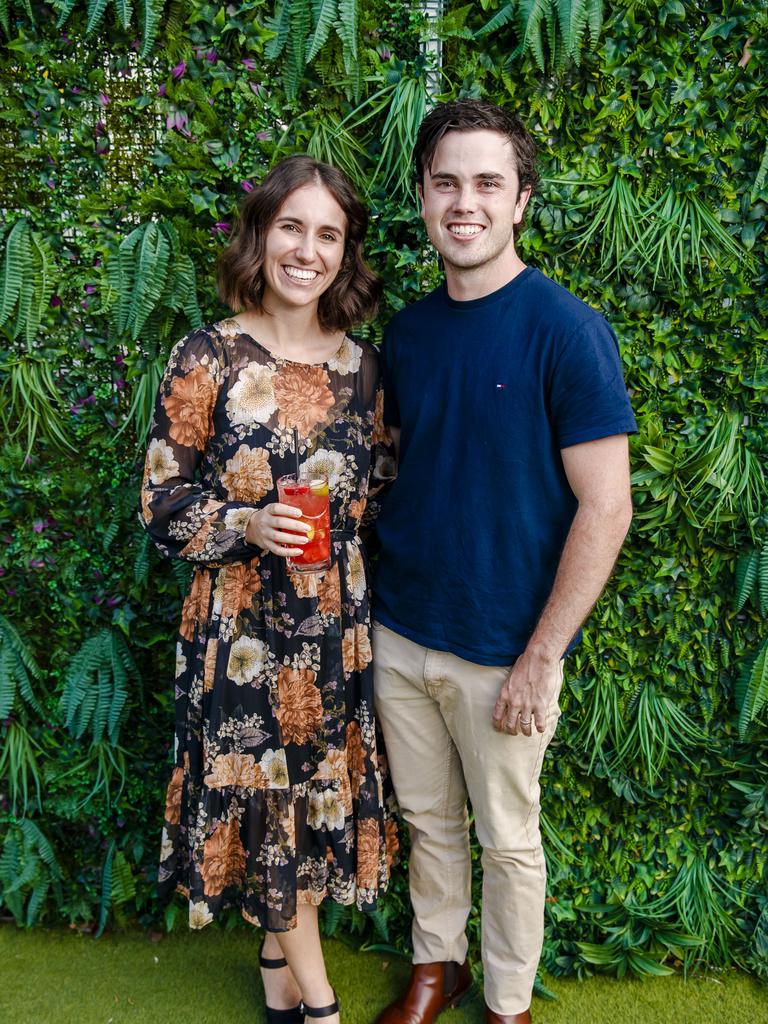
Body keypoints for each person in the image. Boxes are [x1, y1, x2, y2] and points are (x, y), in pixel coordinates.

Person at [372, 100, 636, 1024]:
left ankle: (507, 1002)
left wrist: (543, 652)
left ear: (521, 200)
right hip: (401, 631)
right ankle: (434, 968)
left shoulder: (567, 331)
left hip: (504, 646)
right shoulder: (405, 334)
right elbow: (402, 467)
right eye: (447, 182)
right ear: (422, 197)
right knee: (429, 822)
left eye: (489, 182)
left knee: (509, 839)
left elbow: (608, 506)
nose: (465, 202)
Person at [139, 155, 398, 1024]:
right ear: (261, 234)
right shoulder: (208, 353)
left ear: (344, 253)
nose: (307, 250)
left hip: (334, 622)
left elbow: (383, 488)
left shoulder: (364, 368)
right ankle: (320, 1003)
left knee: (314, 796)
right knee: (262, 793)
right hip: (240, 624)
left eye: (328, 234)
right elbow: (160, 497)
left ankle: (275, 957)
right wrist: (243, 525)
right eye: (292, 226)